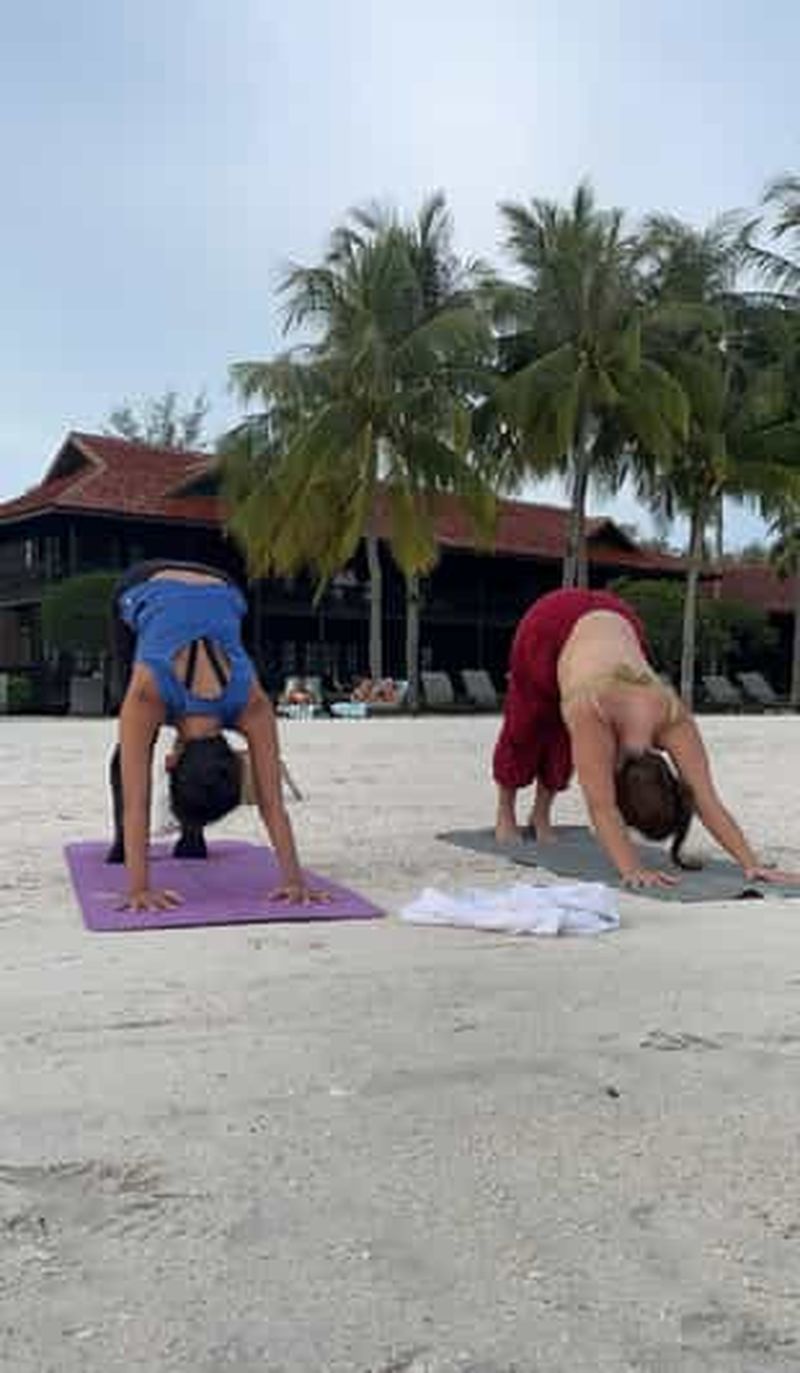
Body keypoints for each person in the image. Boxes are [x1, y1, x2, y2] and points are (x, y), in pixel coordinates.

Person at [493, 587, 797, 890]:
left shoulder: (673, 715)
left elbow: (705, 798)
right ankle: (505, 813)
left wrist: (750, 863)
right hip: (550, 623)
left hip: (618, 620)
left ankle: (540, 815)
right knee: (528, 723)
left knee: (566, 735)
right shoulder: (593, 707)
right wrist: (632, 869)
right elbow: (602, 806)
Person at [107, 559, 325, 912]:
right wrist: (292, 881)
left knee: (132, 742)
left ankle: (161, 840)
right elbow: (273, 805)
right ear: (172, 760)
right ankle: (146, 840)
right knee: (130, 731)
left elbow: (272, 805)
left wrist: (294, 881)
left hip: (223, 583)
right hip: (143, 581)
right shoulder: (148, 695)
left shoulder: (251, 702)